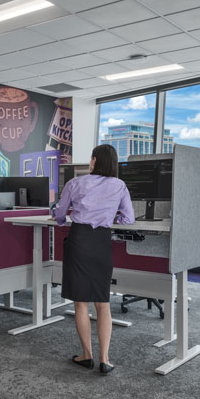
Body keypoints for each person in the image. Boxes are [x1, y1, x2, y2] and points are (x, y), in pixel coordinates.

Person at [51, 144, 135, 374]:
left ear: (94, 161)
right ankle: (105, 359)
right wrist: (110, 215)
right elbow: (129, 219)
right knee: (102, 301)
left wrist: (57, 213)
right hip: (101, 242)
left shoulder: (75, 183)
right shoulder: (119, 186)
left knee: (80, 302)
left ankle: (86, 355)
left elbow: (59, 215)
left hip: (79, 240)